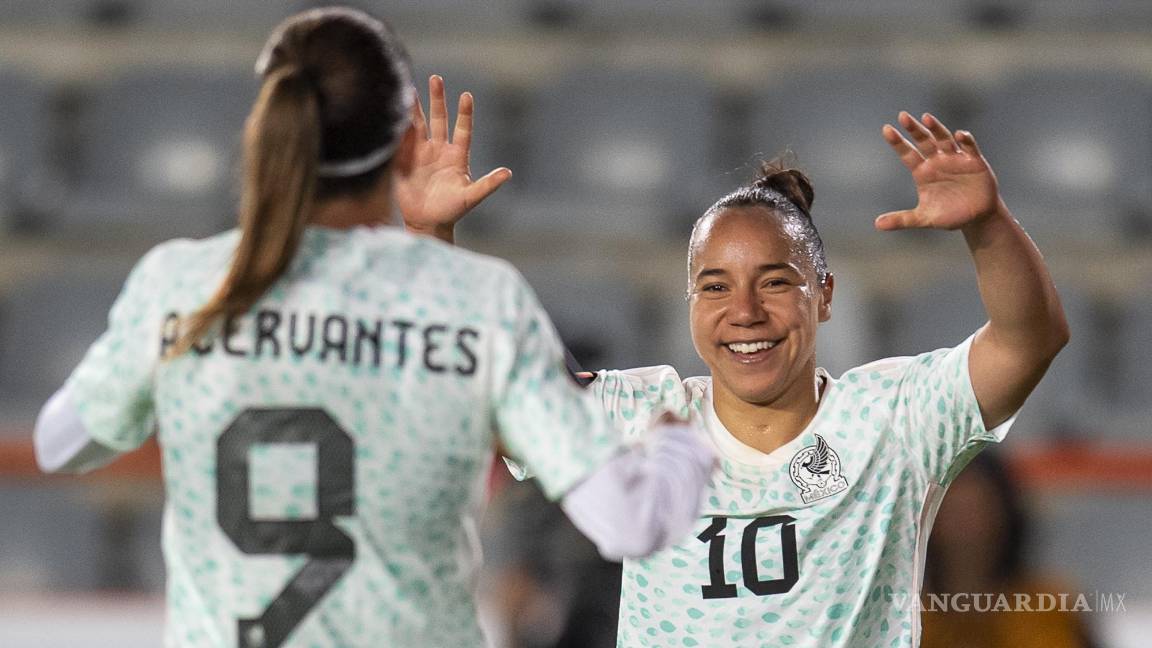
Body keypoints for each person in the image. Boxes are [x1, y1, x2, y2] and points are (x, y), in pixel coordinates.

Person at [31, 7, 715, 647]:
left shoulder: (181, 286)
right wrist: (678, 444)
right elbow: (630, 522)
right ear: (403, 140)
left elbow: (61, 444)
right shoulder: (479, 303)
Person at [407, 104, 1070, 647]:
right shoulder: (641, 415)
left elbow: (1029, 340)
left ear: (825, 295)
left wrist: (988, 226)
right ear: (690, 303)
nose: (745, 312)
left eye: (775, 282)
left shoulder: (896, 416)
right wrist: (429, 232)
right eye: (716, 287)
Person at [921, 451, 1100, 648]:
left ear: (1005, 516)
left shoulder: (1051, 609)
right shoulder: (912, 617)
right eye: (953, 512)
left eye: (977, 510)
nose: (966, 527)